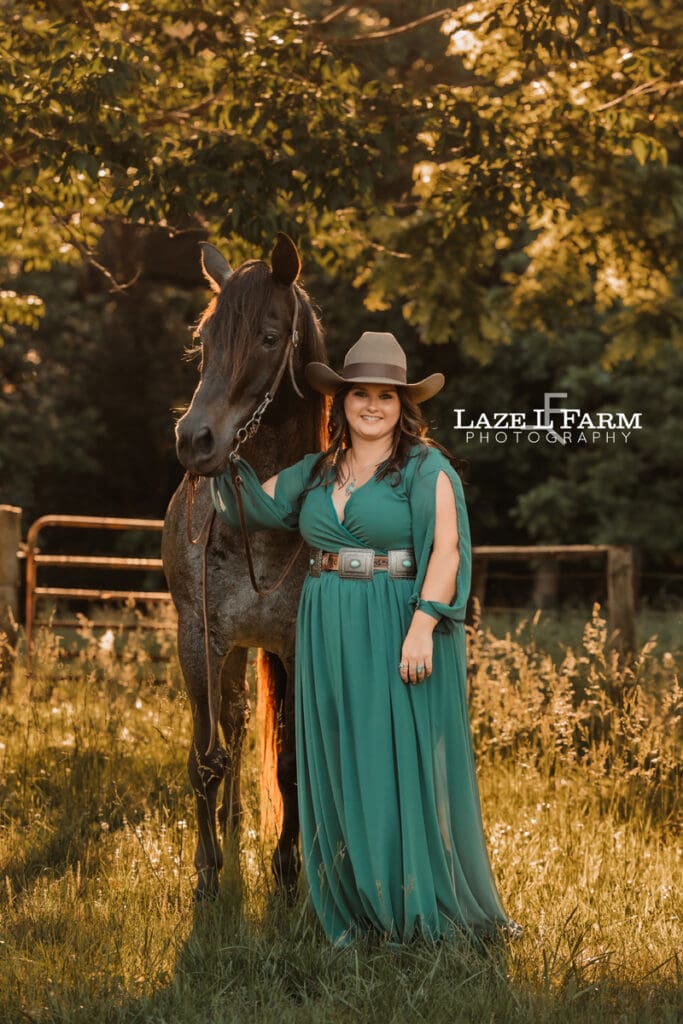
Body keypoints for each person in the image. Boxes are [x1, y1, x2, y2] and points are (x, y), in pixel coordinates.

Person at [211, 331, 521, 947]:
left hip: (400, 618)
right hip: (328, 624)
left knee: (396, 760)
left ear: (403, 405)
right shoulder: (318, 471)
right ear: (342, 401)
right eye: (361, 394)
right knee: (342, 757)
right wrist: (218, 445)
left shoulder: (426, 468)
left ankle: (414, 907)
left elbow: (449, 551)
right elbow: (252, 504)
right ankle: (356, 906)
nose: (373, 405)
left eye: (386, 395)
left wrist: (424, 626)